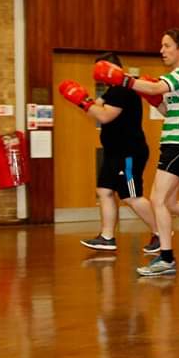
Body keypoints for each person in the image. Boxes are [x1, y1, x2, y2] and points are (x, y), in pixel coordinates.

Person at [92, 31, 179, 276]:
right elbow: (169, 111)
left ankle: (166, 259)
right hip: (175, 142)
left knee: (157, 200)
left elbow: (157, 85)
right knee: (169, 202)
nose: (162, 50)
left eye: (167, 45)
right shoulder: (177, 77)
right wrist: (155, 101)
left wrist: (126, 80)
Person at [58, 52, 158, 253]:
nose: (99, 76)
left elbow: (104, 116)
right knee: (104, 191)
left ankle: (160, 232)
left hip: (129, 152)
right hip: (115, 151)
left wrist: (83, 102)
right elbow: (101, 103)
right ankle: (107, 237)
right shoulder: (113, 91)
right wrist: (90, 100)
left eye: (101, 70)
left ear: (112, 69)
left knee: (131, 196)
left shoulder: (123, 90)